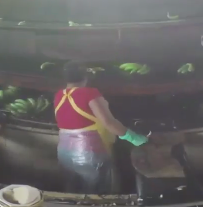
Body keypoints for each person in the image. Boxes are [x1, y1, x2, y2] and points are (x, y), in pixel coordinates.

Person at [53, 61, 144, 194]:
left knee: (72, 189)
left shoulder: (59, 95)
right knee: (95, 192)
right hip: (89, 152)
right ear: (86, 77)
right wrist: (134, 138)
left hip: (64, 151)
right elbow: (108, 122)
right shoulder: (90, 94)